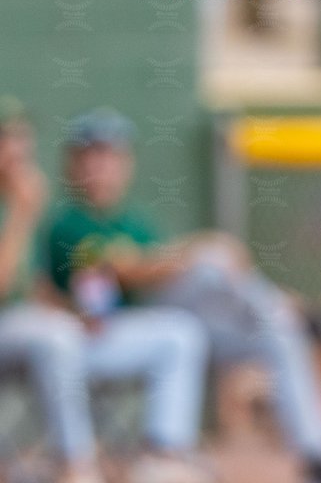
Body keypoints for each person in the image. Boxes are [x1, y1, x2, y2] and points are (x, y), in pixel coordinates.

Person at [42, 108, 321, 483]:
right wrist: (201, 249)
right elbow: (129, 268)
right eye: (92, 155)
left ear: (126, 164)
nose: (102, 166)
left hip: (168, 327)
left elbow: (154, 263)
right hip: (105, 336)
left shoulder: (132, 220)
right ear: (74, 164)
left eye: (111, 156)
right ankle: (166, 452)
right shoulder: (68, 221)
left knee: (278, 331)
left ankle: (319, 459)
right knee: (209, 263)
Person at [0, 99, 210, 483]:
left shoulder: (130, 219)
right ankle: (76, 465)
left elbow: (42, 291)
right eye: (7, 143)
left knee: (180, 333)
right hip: (41, 337)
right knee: (56, 334)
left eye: (19, 143)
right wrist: (22, 212)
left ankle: (164, 454)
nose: (17, 155)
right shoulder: (57, 218)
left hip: (78, 334)